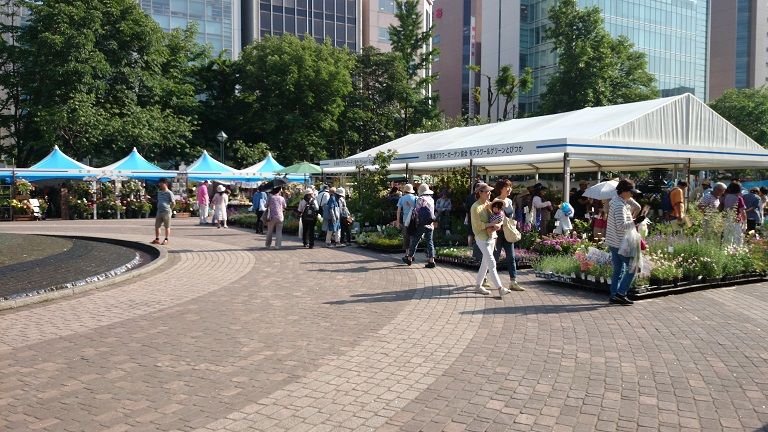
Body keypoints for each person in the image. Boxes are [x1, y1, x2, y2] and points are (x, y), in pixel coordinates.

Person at [605, 179, 643, 305]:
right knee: (634, 267)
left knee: (618, 269)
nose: (632, 194)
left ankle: (614, 295)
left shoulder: (617, 200)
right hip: (620, 243)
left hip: (613, 241)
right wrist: (636, 221)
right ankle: (621, 293)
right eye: (630, 192)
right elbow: (621, 226)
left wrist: (630, 199)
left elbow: (637, 206)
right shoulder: (619, 206)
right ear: (624, 191)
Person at [471, 183, 511, 297]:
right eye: (487, 191)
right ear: (480, 193)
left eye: (489, 191)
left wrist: (499, 224)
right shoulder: (475, 207)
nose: (489, 193)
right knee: (492, 262)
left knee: (485, 263)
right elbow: (478, 225)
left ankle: (478, 286)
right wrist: (493, 224)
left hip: (491, 237)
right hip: (482, 238)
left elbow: (501, 216)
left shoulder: (489, 204)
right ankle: (500, 288)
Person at [491, 179, 524, 291]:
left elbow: (511, 216)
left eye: (510, 186)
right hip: (498, 233)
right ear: (501, 189)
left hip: (508, 232)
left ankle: (513, 281)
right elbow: (494, 216)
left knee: (511, 257)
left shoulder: (509, 201)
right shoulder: (496, 201)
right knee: (494, 257)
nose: (510, 189)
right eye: (507, 187)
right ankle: (484, 278)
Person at [404, 184, 438, 268]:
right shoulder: (431, 199)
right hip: (430, 224)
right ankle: (431, 261)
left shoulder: (420, 199)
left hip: (421, 224)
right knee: (430, 242)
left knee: (415, 240)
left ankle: (409, 258)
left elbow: (416, 211)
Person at [396, 184, 417, 262]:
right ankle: (412, 255)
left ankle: (407, 254)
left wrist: (398, 221)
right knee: (413, 237)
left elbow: (398, 211)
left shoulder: (402, 198)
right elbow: (418, 209)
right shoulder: (416, 198)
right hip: (414, 220)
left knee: (406, 237)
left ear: (405, 190)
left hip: (406, 221)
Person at [151, 178, 175, 245]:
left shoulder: (169, 193)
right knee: (157, 226)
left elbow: (173, 203)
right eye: (159, 183)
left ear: (165, 184)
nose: (160, 184)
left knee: (167, 226)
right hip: (159, 211)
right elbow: (158, 201)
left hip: (166, 212)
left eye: (161, 183)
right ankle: (157, 239)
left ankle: (166, 239)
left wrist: (170, 209)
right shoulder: (159, 192)